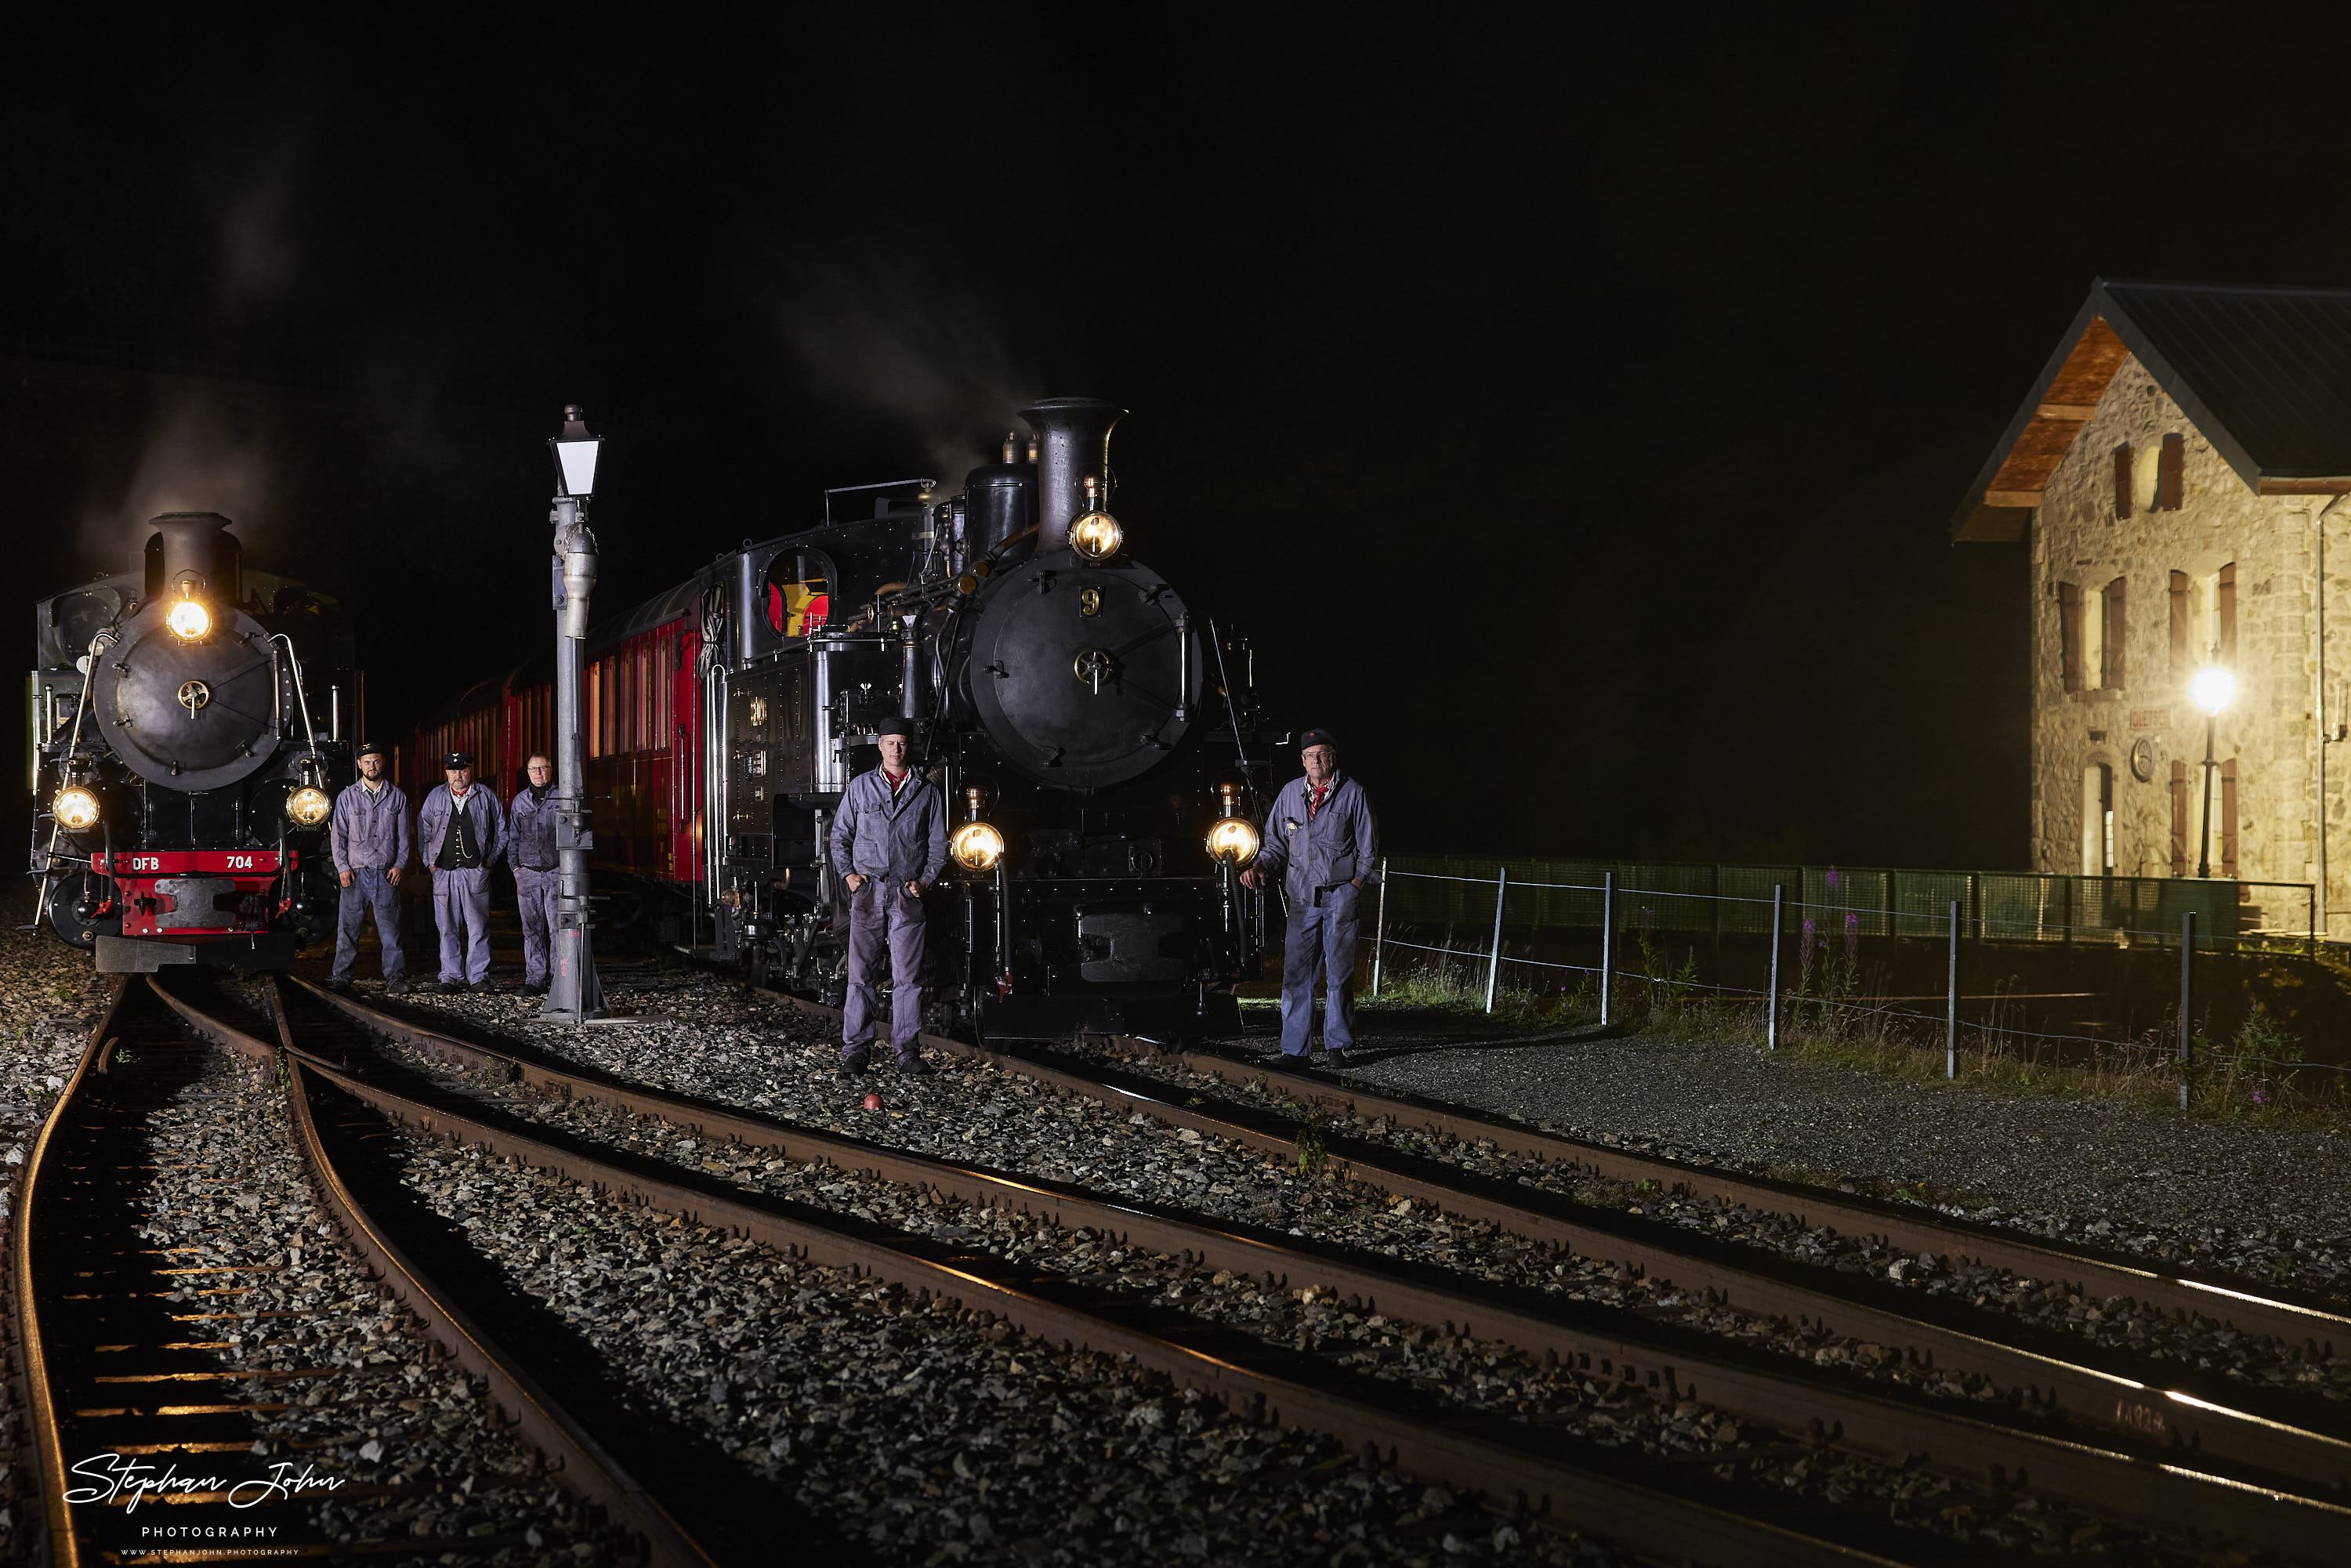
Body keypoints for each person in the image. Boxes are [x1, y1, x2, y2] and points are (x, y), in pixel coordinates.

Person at [1239, 728, 1378, 1067]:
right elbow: (1275, 844)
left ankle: (1336, 1047)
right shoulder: (1289, 795)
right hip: (1302, 899)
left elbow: (1369, 849)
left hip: (1340, 897)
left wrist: (1354, 886)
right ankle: (1294, 1051)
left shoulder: (1353, 794)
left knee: (1339, 974)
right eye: (1310, 755)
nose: (1317, 760)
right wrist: (1260, 867)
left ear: (1333, 757)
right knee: (1297, 975)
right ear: (1302, 760)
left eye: (1323, 754)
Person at [828, 717, 947, 1074]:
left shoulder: (926, 793)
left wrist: (924, 882)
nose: (897, 748)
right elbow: (839, 838)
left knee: (907, 978)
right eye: (890, 742)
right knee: (860, 974)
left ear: (909, 747)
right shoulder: (861, 788)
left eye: (902, 743)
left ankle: (907, 1052)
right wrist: (850, 877)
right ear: (880, 746)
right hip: (868, 893)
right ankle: (856, 1050)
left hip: (906, 895)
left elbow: (939, 846)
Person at [418, 751, 506, 994]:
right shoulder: (435, 797)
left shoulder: (486, 796)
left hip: (476, 871)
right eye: (453, 771)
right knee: (446, 926)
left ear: (471, 771)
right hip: (444, 872)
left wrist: (490, 859)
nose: (458, 775)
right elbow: (423, 830)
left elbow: (501, 829)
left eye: (462, 770)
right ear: (446, 772)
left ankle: (478, 976)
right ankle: (450, 976)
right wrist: (430, 862)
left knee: (478, 926)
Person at [328, 741, 413, 993]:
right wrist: (342, 867)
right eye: (367, 762)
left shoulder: (397, 796)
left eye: (376, 761)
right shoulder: (347, 797)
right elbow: (338, 836)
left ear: (382, 763)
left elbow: (404, 838)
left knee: (391, 932)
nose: (372, 766)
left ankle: (395, 979)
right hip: (354, 875)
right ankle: (342, 978)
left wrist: (399, 866)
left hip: (386, 874)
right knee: (348, 930)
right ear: (359, 764)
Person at [505, 753, 559, 996]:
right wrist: (515, 866)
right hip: (527, 872)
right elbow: (513, 836)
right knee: (531, 928)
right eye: (533, 769)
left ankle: (559, 978)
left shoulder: (563, 798)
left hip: (556, 872)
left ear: (551, 770)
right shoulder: (520, 802)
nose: (538, 773)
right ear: (527, 772)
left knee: (558, 928)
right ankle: (535, 978)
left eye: (543, 768)